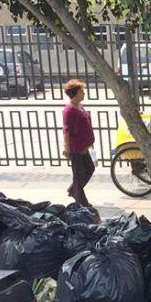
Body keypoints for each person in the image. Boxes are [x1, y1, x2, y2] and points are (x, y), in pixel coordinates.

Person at [62, 79, 96, 207]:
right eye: (82, 91)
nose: (84, 94)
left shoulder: (80, 106)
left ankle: (73, 190)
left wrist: (90, 142)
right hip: (76, 147)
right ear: (75, 93)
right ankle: (82, 202)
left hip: (85, 145)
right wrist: (66, 148)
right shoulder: (69, 110)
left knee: (90, 168)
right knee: (79, 174)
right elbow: (66, 130)